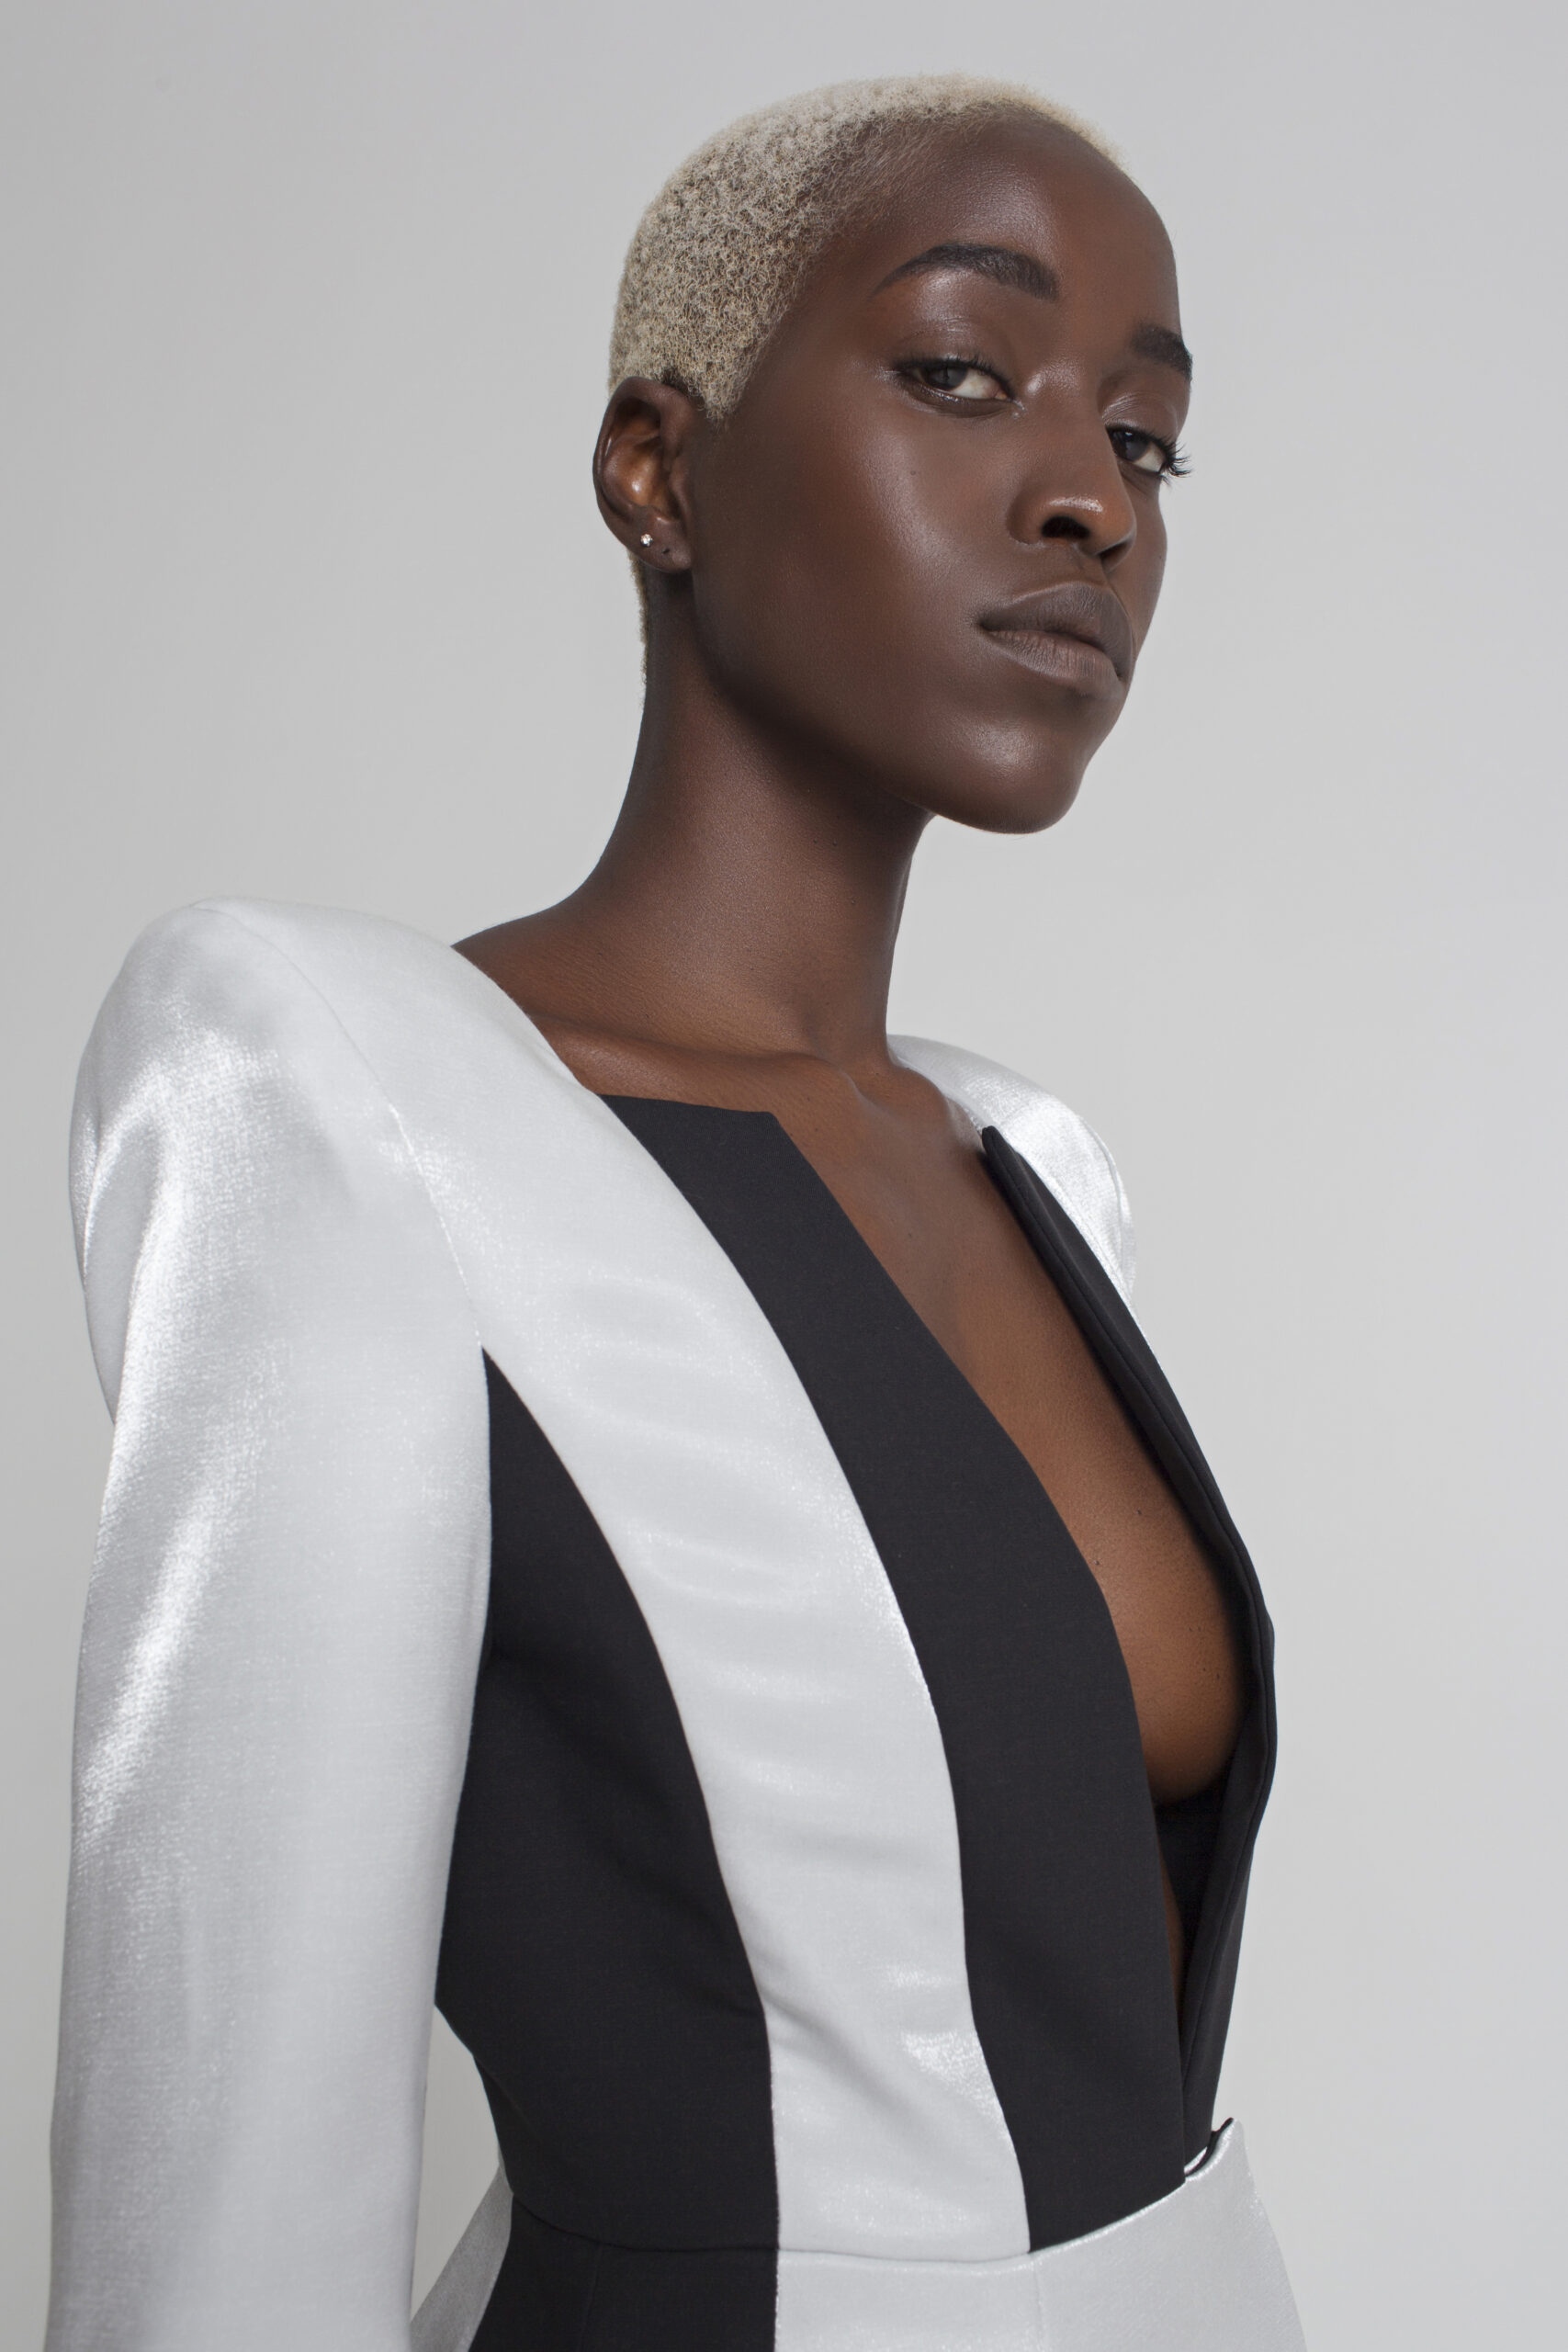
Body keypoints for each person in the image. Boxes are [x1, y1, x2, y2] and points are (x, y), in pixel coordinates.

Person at [47, 74, 1305, 2352]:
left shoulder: (1026, 1162)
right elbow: (220, 2164)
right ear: (657, 468)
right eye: (961, 371)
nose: (1089, 499)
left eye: (1144, 439)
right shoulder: (348, 1093)